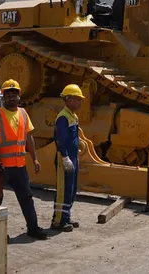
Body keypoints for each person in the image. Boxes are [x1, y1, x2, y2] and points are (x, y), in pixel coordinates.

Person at [0, 79, 47, 240]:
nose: (11, 97)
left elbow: (29, 138)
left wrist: (35, 159)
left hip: (19, 167)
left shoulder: (24, 114)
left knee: (26, 197)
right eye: (8, 94)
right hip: (2, 167)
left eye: (14, 94)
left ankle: (33, 228)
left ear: (19, 97)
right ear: (3, 97)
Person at [51, 84, 85, 232]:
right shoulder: (63, 117)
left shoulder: (73, 116)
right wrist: (65, 157)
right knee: (63, 190)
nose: (79, 102)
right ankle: (58, 221)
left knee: (71, 189)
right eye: (77, 99)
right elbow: (60, 139)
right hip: (64, 158)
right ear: (68, 99)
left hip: (73, 157)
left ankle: (66, 216)